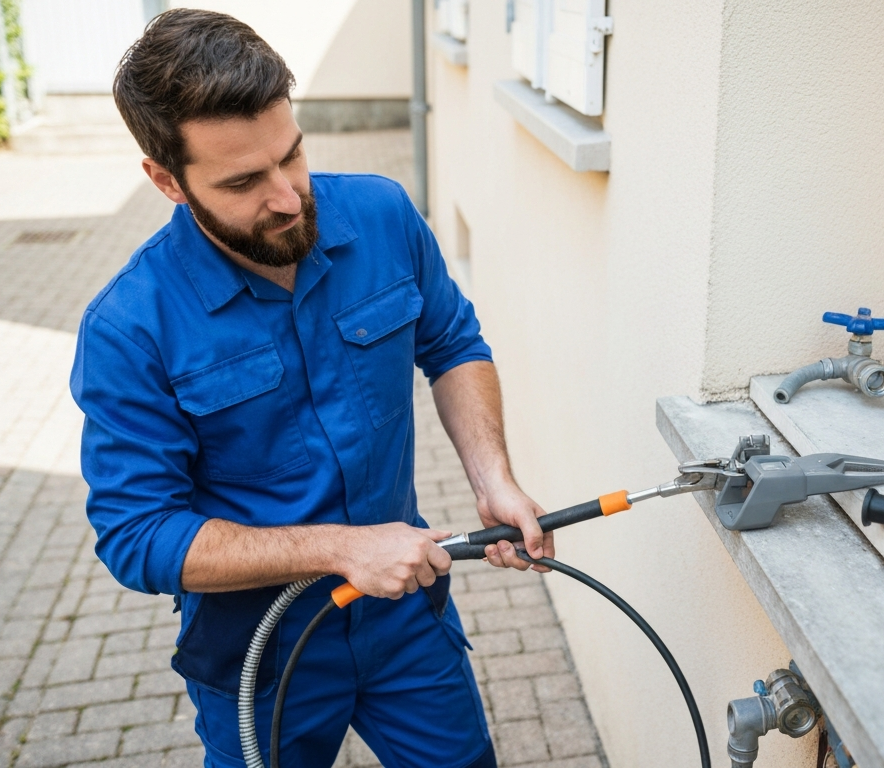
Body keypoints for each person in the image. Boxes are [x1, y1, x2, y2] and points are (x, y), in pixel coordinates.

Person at [70, 10, 550, 766]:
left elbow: (453, 344)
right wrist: (339, 548)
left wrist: (493, 480)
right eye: (243, 181)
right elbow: (137, 535)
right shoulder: (131, 326)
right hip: (258, 658)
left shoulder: (383, 214)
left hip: (405, 621)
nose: (290, 196)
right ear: (167, 180)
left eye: (291, 155)